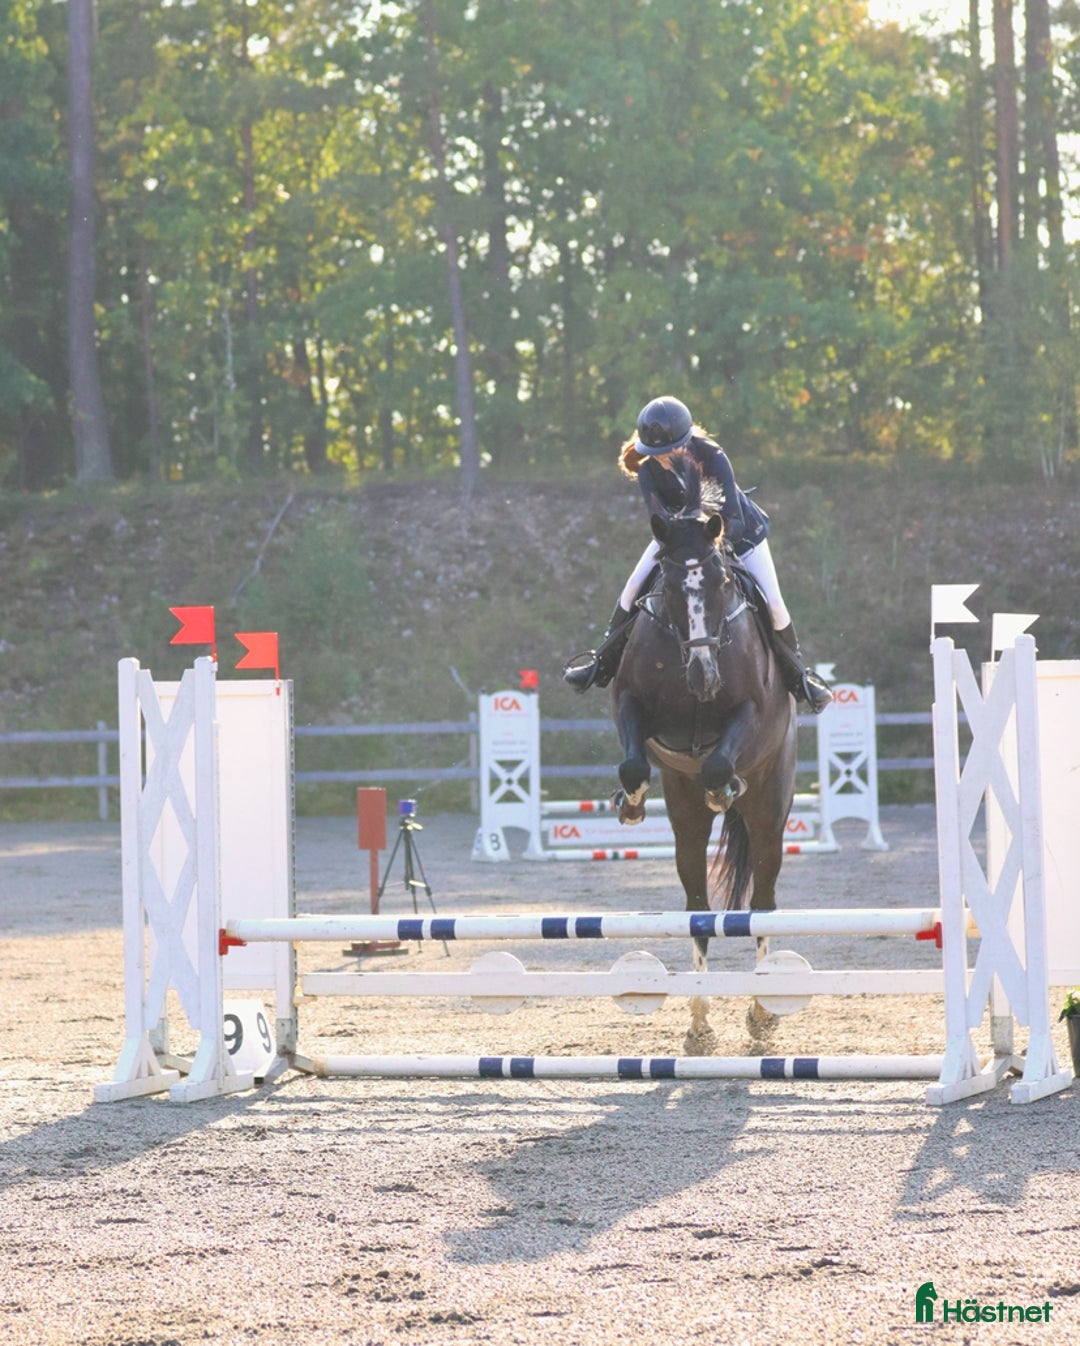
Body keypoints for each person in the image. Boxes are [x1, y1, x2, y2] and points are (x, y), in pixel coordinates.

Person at [563, 395, 833, 713]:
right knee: (633, 585)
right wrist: (681, 542)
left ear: (685, 441)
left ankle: (800, 676)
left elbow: (732, 516)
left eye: (669, 450)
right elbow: (658, 519)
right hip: (681, 540)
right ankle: (602, 662)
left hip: (739, 534)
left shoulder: (712, 455)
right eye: (656, 452)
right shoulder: (648, 471)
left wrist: (705, 540)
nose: (663, 457)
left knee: (773, 602)